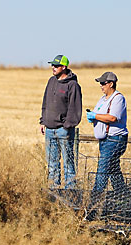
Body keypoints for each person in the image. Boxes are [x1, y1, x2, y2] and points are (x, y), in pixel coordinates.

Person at [86, 72, 128, 215]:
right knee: (113, 170)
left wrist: (95, 116)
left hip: (114, 139)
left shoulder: (118, 98)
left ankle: (94, 203)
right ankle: (123, 198)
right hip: (105, 140)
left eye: (103, 83)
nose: (101, 86)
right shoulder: (102, 99)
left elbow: (112, 118)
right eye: (100, 83)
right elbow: (100, 115)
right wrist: (93, 117)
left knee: (103, 170)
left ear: (111, 84)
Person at [39, 54, 82, 191]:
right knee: (52, 164)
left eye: (56, 66)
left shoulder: (72, 85)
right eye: (52, 65)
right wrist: (43, 121)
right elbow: (45, 102)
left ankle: (70, 191)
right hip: (49, 129)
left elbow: (75, 108)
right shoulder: (51, 81)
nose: (53, 67)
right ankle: (54, 190)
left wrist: (67, 125)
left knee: (68, 163)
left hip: (64, 130)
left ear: (64, 67)